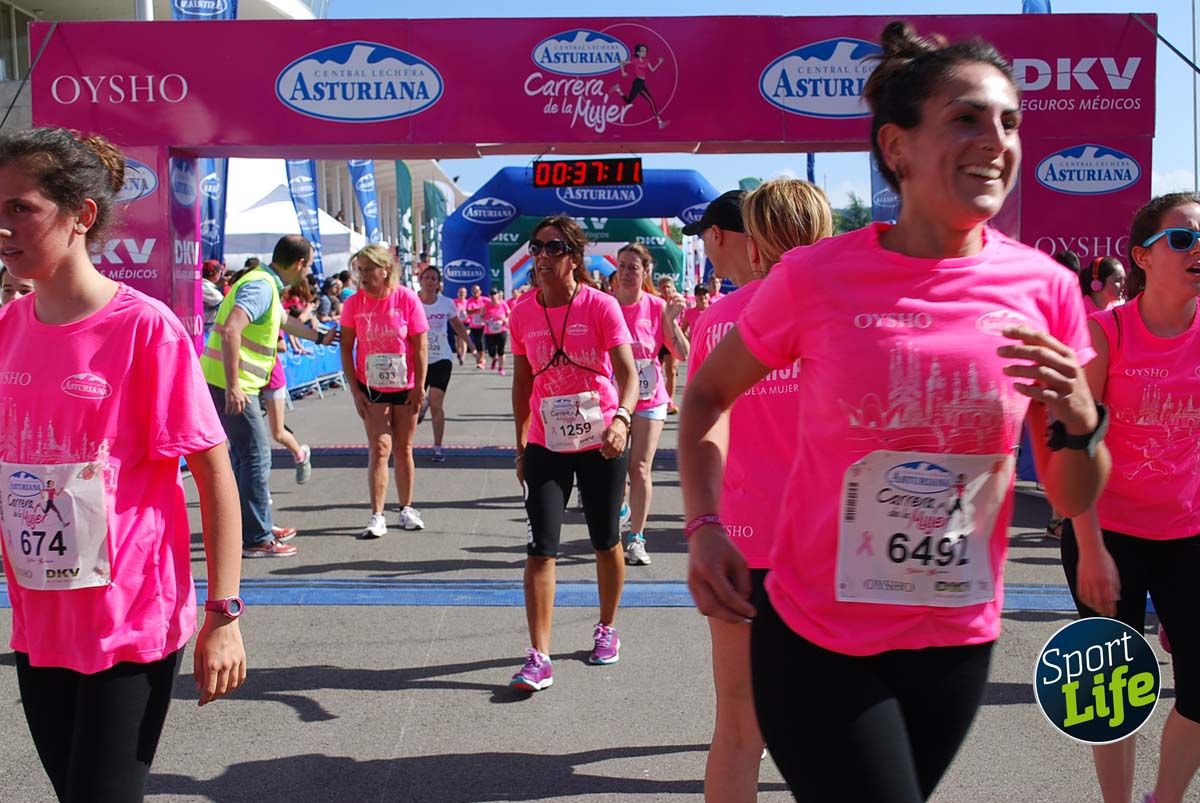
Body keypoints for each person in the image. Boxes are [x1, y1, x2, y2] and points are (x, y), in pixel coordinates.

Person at [680, 22, 1110, 801]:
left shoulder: (1043, 289)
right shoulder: (818, 276)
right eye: (967, 118)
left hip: (955, 636)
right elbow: (707, 393)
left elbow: (1074, 491)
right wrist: (704, 526)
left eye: (1010, 122)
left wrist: (1081, 416)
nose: (996, 140)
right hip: (817, 634)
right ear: (898, 147)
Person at [0, 127, 246, 803]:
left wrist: (224, 613)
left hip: (129, 620)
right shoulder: (8, 329)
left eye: (21, 207)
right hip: (40, 621)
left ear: (81, 214)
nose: (4, 226)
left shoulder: (145, 328)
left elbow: (212, 470)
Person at [684, 178, 833, 803]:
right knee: (832, 729)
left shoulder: (716, 321)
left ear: (756, 240)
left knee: (739, 728)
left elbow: (699, 425)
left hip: (741, 543)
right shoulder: (846, 314)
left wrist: (700, 526)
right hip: (831, 547)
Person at [1062, 193, 1200, 803]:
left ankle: (1163, 800)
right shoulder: (1106, 331)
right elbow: (1074, 445)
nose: (1198, 250)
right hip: (1107, 535)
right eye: (1183, 238)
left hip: (1189, 535)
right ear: (1142, 256)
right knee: (1111, 692)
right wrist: (1090, 547)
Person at [508, 215, 637, 692]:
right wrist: (521, 445)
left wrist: (622, 420)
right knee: (541, 547)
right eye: (536, 248)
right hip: (547, 441)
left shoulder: (601, 306)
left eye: (554, 248)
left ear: (575, 259)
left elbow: (628, 374)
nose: (542, 257)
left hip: (603, 439)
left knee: (605, 540)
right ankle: (539, 655)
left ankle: (606, 627)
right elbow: (522, 384)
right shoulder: (521, 313)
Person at [202, 235, 336, 558]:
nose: (307, 275)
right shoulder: (262, 286)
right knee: (255, 457)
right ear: (300, 263)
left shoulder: (265, 284)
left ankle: (253, 525)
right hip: (232, 386)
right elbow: (232, 329)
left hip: (234, 384)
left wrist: (319, 336)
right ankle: (257, 537)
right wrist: (234, 385)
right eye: (307, 266)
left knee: (246, 458)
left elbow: (283, 322)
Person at [340, 243, 429, 538]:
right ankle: (377, 515)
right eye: (359, 270)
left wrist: (420, 387)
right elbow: (346, 348)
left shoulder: (406, 299)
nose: (363, 276)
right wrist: (355, 391)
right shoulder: (354, 303)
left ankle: (406, 508)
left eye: (368, 269)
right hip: (371, 386)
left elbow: (420, 346)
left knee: (403, 448)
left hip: (405, 386)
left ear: (385, 269)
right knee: (379, 449)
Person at [613, 243, 688, 566]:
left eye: (634, 267)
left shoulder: (657, 307)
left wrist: (671, 321)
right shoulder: (606, 305)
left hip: (649, 397)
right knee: (615, 469)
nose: (627, 272)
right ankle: (621, 510)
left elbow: (684, 354)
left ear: (646, 272)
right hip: (612, 398)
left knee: (640, 467)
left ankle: (636, 538)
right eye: (623, 266)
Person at [417, 264, 474, 463]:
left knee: (436, 404)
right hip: (418, 359)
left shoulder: (446, 303)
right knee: (413, 405)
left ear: (438, 283)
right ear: (420, 280)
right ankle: (419, 409)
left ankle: (438, 447)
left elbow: (457, 325)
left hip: (441, 358)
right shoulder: (413, 302)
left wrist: (471, 345)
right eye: (427, 278)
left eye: (434, 278)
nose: (430, 281)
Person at [608, 43, 668, 129]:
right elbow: (621, 62)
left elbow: (652, 70)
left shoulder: (647, 61)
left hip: (641, 83)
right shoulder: (635, 60)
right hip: (638, 83)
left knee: (628, 101)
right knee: (651, 101)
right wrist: (623, 72)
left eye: (645, 51)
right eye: (642, 51)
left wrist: (659, 63)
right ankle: (660, 122)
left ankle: (618, 89)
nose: (645, 52)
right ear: (638, 52)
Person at [483, 286, 510, 374]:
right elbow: (481, 316)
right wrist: (486, 321)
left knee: (501, 350)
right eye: (491, 295)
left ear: (498, 295)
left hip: (501, 330)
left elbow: (509, 315)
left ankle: (501, 368)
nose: (493, 296)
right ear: (489, 296)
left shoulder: (503, 304)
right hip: (489, 331)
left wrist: (505, 320)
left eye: (495, 294)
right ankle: (494, 359)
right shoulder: (486, 305)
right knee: (491, 351)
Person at [465, 283, 487, 369]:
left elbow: (491, 307)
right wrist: (479, 309)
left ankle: (481, 360)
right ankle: (479, 359)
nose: (475, 292)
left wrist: (484, 312)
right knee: (476, 343)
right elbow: (468, 312)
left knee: (481, 342)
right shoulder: (469, 301)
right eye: (473, 291)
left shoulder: (485, 300)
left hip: (483, 325)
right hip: (474, 325)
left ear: (480, 291)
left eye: (477, 290)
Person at [201, 259, 224, 339]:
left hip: (203, 328)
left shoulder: (202, 284)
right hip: (205, 330)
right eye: (220, 272)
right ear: (215, 274)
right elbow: (222, 302)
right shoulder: (207, 288)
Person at [452, 286, 470, 365]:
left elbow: (472, 312)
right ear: (458, 294)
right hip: (457, 323)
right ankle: (459, 353)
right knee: (457, 341)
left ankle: (463, 357)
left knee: (464, 339)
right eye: (460, 292)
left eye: (463, 292)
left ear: (466, 294)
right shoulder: (454, 302)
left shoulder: (468, 302)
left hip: (466, 323)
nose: (462, 294)